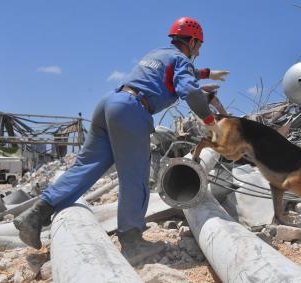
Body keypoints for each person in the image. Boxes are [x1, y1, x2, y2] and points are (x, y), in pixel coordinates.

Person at [13, 16, 229, 264]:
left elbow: (178, 73)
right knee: (135, 176)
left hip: (109, 103)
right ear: (191, 41)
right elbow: (189, 89)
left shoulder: (158, 53)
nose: (199, 51)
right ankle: (132, 242)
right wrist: (211, 122)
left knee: (87, 166)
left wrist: (208, 73)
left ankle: (35, 215)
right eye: (198, 45)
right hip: (132, 109)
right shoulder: (181, 60)